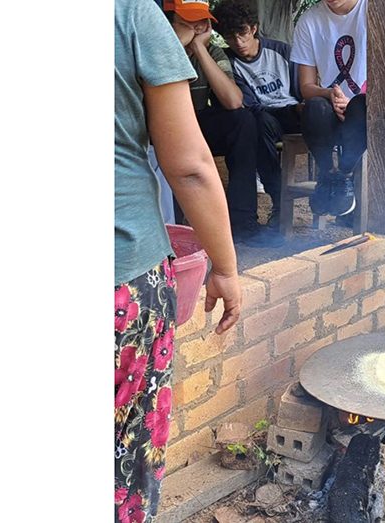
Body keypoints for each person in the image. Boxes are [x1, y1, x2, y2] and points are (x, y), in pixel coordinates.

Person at [115, 0, 242, 520]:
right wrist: (227, 270)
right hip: (122, 285)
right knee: (125, 466)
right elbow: (189, 166)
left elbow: (234, 101)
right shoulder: (129, 14)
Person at [164, 0, 282, 247]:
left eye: (201, 22)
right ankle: (176, 230)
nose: (196, 28)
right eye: (188, 22)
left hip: (195, 124)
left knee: (243, 121)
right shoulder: (157, 48)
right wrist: (176, 45)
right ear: (170, 23)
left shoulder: (211, 52)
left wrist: (199, 49)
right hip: (160, 129)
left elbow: (233, 100)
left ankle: (242, 224)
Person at [213, 0, 303, 230]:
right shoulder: (229, 62)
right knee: (257, 123)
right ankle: (279, 198)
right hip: (263, 117)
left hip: (293, 112)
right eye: (230, 37)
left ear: (253, 28)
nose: (239, 42)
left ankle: (334, 189)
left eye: (242, 33)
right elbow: (248, 104)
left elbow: (301, 88)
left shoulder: (281, 50)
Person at [291, 0, 368, 218]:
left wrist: (354, 100)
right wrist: (330, 94)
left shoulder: (373, 10)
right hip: (330, 107)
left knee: (361, 106)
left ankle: (345, 173)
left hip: (365, 106)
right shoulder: (309, 21)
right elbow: (306, 87)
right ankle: (326, 173)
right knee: (314, 107)